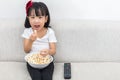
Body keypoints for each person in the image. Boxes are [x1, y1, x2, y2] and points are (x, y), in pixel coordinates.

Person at [21, 0, 57, 80]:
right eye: (32, 17)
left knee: (47, 78)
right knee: (36, 78)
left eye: (40, 17)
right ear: (28, 18)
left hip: (47, 62)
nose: (36, 21)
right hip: (32, 63)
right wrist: (31, 40)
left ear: (46, 19)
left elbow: (53, 50)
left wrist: (48, 51)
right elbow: (26, 50)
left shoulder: (50, 32)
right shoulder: (27, 32)